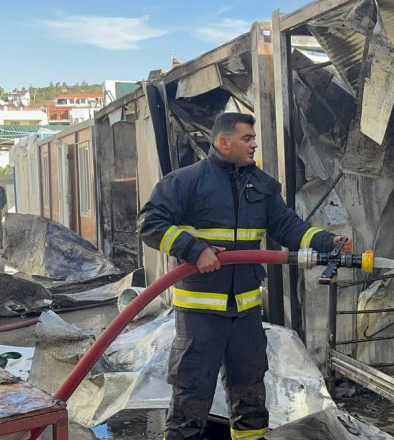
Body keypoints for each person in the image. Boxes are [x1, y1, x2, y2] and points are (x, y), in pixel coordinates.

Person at [139, 113, 352, 440]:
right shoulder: (186, 182)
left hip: (246, 313)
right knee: (191, 395)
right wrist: (194, 249)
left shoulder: (261, 186)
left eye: (254, 138)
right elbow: (150, 224)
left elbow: (287, 227)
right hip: (200, 314)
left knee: (250, 393)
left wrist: (327, 241)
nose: (254, 144)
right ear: (223, 143)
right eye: (247, 138)